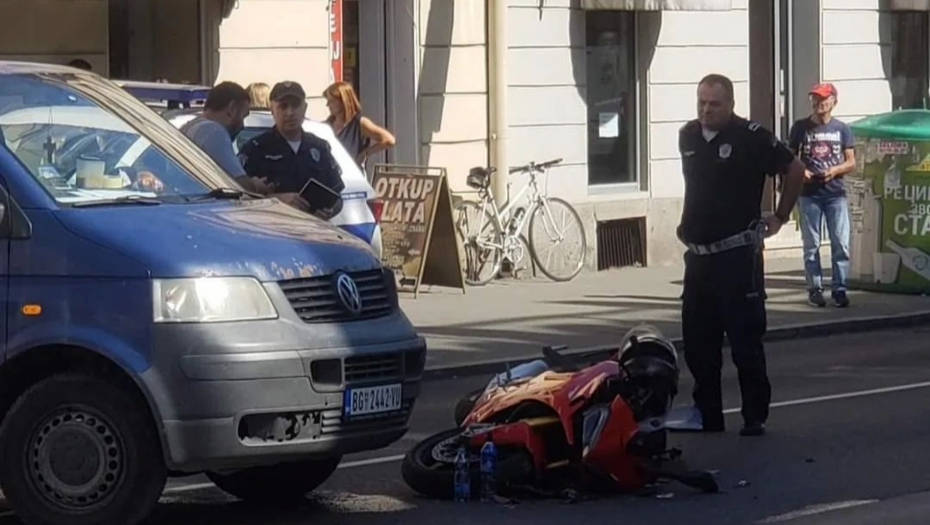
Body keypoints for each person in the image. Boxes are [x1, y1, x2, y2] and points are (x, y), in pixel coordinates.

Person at [668, 73, 805, 437]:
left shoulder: (751, 137)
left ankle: (754, 415)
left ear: (730, 104)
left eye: (714, 104)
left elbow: (795, 168)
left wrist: (780, 215)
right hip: (698, 258)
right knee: (698, 342)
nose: (706, 111)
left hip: (736, 257)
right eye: (701, 103)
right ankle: (707, 413)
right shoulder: (688, 136)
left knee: (744, 339)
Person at [788, 83, 855, 308]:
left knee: (840, 243)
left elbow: (851, 161)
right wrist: (802, 172)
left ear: (833, 101)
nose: (819, 104)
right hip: (809, 194)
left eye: (823, 99)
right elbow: (790, 158)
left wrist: (834, 171)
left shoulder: (842, 129)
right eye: (815, 99)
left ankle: (840, 288)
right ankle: (815, 289)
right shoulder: (800, 127)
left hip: (835, 193)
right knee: (811, 244)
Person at [239, 81, 345, 219]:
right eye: (283, 106)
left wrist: (329, 210)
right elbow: (239, 197)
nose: (290, 113)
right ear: (272, 109)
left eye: (295, 106)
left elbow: (337, 196)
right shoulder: (255, 149)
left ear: (305, 108)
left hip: (313, 231)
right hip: (274, 231)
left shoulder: (319, 147)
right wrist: (276, 201)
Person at [179, 81, 284, 200]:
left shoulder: (189, 127)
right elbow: (239, 185)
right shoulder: (214, 132)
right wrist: (256, 185)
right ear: (232, 109)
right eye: (244, 116)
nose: (243, 126)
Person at [323, 81, 395, 169]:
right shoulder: (326, 125)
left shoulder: (359, 123)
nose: (327, 105)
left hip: (351, 178)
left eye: (331, 101)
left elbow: (389, 140)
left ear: (343, 101)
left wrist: (366, 153)